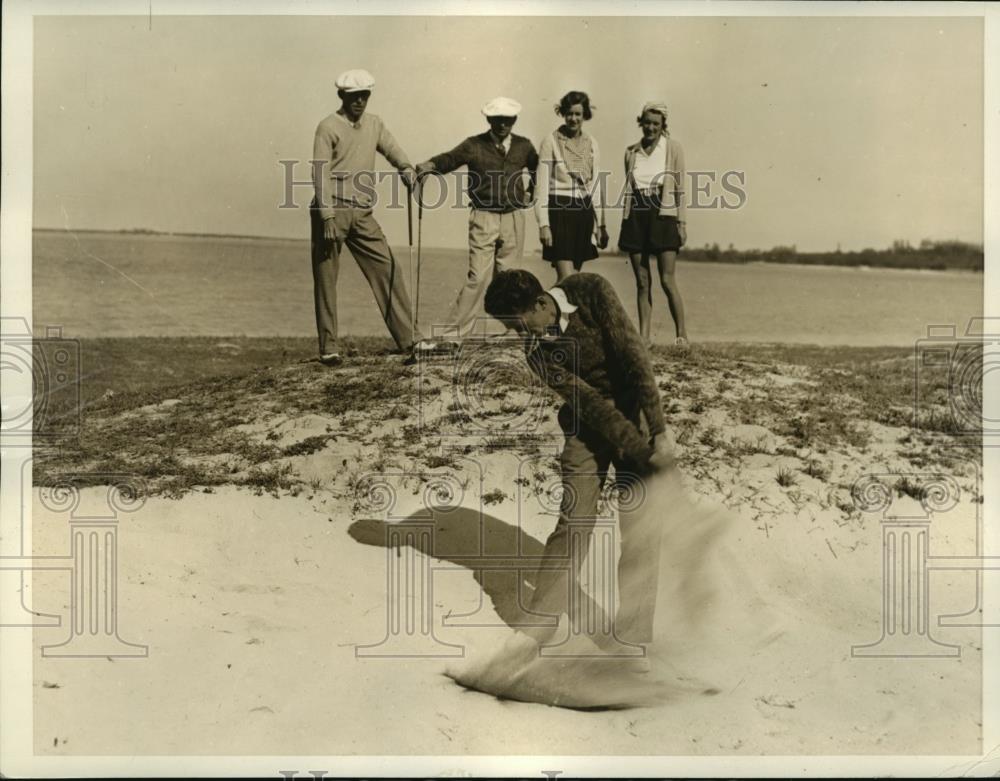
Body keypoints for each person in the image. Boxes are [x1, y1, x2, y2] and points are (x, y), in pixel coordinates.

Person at [483, 269, 675, 651]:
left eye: (521, 326)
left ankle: (634, 642)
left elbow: (634, 356)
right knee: (574, 521)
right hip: (585, 425)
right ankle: (537, 629)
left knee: (639, 529)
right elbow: (589, 404)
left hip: (634, 411)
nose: (523, 337)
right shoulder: (536, 353)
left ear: (540, 304)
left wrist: (657, 431)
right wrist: (639, 451)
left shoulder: (591, 289)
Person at [310, 68, 433, 366]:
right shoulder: (327, 127)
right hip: (332, 212)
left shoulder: (375, 124)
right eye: (354, 96)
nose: (360, 102)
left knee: (388, 268)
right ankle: (329, 348)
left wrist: (405, 168)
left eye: (365, 96)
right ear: (342, 96)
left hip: (362, 212)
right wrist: (326, 216)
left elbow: (391, 148)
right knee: (326, 280)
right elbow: (319, 173)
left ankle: (409, 340)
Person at [415, 98, 539, 347]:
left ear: (514, 120)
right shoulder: (474, 145)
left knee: (512, 281)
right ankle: (453, 337)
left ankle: (525, 334)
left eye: (507, 119)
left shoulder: (524, 146)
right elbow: (450, 159)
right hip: (483, 217)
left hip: (514, 218)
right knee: (478, 277)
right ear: (489, 120)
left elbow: (539, 169)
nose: (502, 124)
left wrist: (531, 191)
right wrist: (428, 166)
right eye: (497, 119)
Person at [619, 101, 689, 346]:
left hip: (664, 215)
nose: (650, 128)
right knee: (642, 281)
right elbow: (629, 190)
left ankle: (681, 336)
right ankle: (644, 338)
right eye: (647, 122)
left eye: (656, 124)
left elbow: (680, 189)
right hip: (636, 215)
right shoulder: (631, 152)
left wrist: (682, 222)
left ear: (663, 126)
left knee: (667, 280)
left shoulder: (673, 149)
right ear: (641, 122)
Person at [535, 91, 609, 282]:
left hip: (583, 214)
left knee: (573, 280)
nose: (573, 118)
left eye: (577, 114)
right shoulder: (550, 141)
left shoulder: (592, 143)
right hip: (559, 211)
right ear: (563, 114)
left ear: (585, 115)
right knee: (566, 278)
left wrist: (600, 225)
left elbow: (594, 186)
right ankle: (552, 312)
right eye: (569, 113)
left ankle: (560, 313)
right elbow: (541, 186)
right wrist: (544, 225)